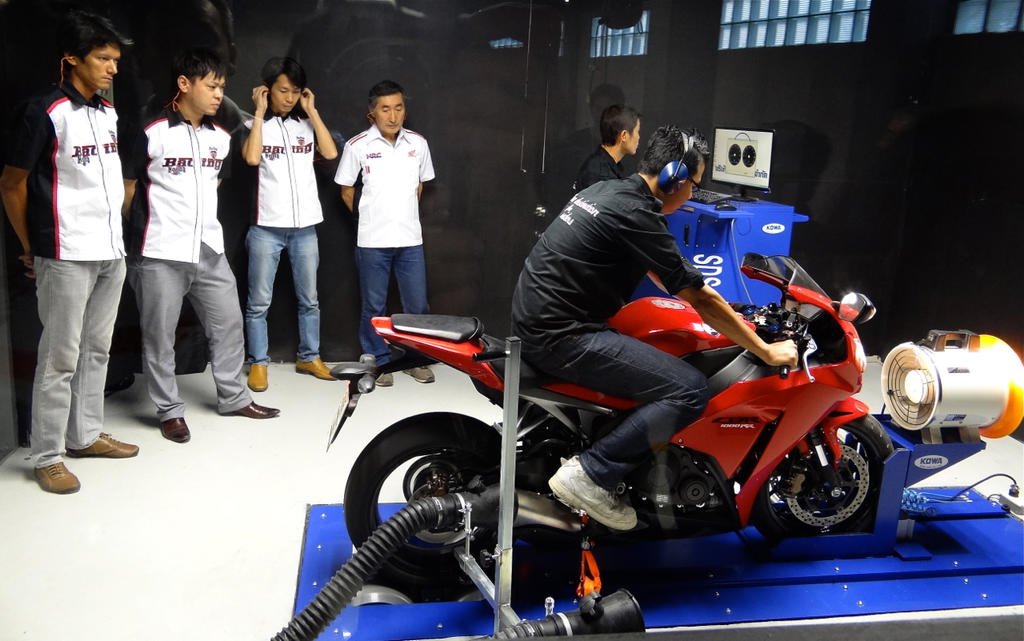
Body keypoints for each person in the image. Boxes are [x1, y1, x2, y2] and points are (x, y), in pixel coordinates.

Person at [510, 125, 798, 530]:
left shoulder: (607, 192)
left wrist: (724, 309)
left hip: (538, 321)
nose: (692, 195)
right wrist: (765, 349)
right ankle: (591, 473)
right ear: (673, 178)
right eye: (694, 185)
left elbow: (668, 274)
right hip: (563, 336)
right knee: (688, 389)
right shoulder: (638, 214)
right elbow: (698, 297)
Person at [0, 10, 139, 494]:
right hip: (64, 252)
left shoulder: (107, 112)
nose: (113, 68)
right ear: (72, 59)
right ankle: (47, 455)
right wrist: (31, 246)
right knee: (59, 358)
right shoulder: (44, 111)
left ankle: (85, 435)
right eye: (103, 58)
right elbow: (12, 184)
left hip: (110, 249)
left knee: (97, 349)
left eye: (115, 59)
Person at [123, 48, 279, 444]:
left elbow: (215, 184)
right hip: (159, 250)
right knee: (159, 336)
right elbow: (127, 189)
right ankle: (169, 411)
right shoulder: (151, 128)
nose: (218, 94)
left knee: (229, 323)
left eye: (222, 87)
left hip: (209, 247)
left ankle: (234, 398)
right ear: (184, 84)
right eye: (211, 86)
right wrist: (137, 238)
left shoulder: (220, 136)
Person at [240, 57, 339, 392]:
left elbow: (330, 152)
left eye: (295, 91)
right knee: (258, 303)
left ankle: (309, 356)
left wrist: (312, 111)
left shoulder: (305, 124)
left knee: (309, 299)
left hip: (305, 228)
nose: (289, 97)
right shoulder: (254, 125)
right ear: (267, 90)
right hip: (266, 228)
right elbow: (252, 158)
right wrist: (258, 113)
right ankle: (258, 362)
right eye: (283, 90)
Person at [334, 79, 436, 387]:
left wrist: (402, 213)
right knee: (374, 306)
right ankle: (378, 360)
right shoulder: (357, 146)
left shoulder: (418, 144)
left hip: (410, 240)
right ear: (372, 113)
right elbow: (346, 189)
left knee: (417, 305)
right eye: (385, 109)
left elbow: (420, 185)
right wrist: (369, 217)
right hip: (372, 241)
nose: (393, 116)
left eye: (399, 108)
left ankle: (414, 360)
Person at [571, 104, 641, 192]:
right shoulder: (601, 176)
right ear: (624, 135)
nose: (639, 137)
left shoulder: (606, 165)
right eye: (637, 131)